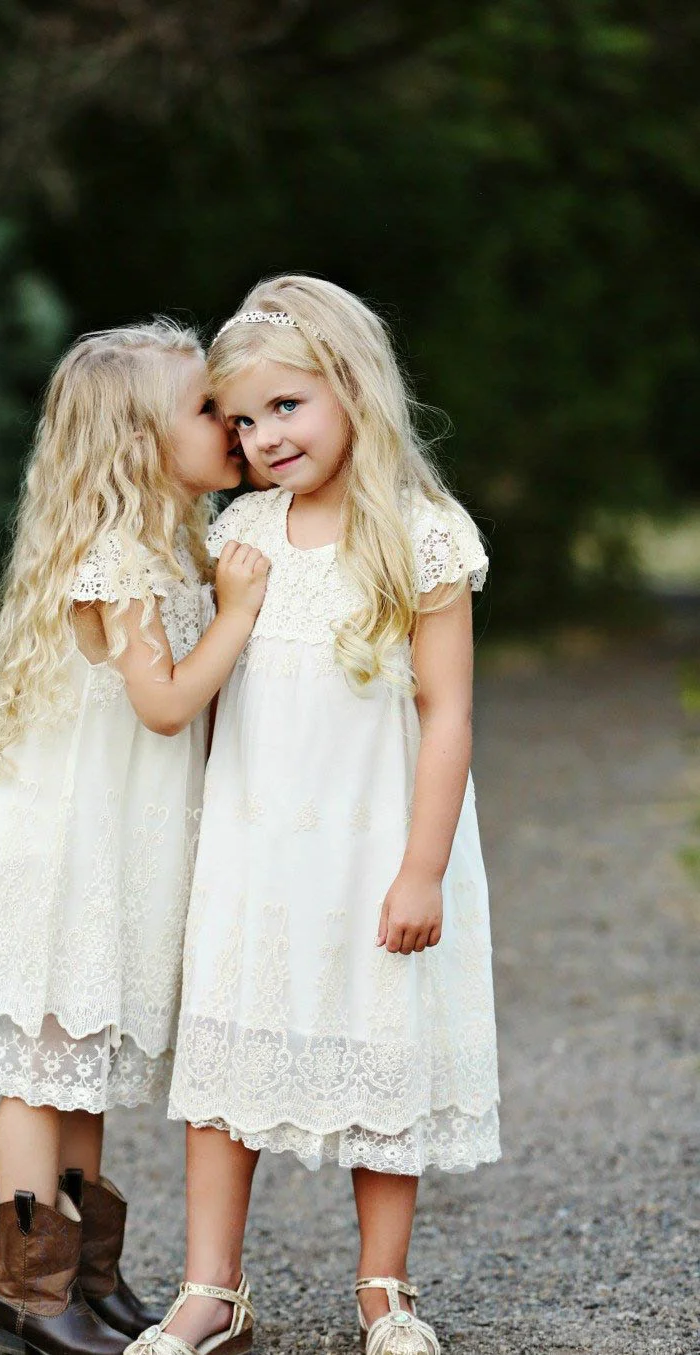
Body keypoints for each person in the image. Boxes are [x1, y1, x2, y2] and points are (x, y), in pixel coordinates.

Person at [130, 278, 499, 1355]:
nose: (261, 436)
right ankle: (212, 1289)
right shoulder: (242, 529)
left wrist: (421, 867)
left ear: (350, 387)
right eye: (242, 419)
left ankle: (383, 1289)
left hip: (374, 841)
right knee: (226, 1066)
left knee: (379, 1055)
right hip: (254, 844)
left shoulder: (422, 536)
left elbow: (448, 714)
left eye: (285, 406)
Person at [0, 321, 269, 1355]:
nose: (229, 422)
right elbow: (163, 704)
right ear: (138, 439)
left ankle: (90, 1273)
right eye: (206, 408)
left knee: (82, 1070)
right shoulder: (113, 554)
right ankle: (25, 1291)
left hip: (115, 851)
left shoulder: (169, 543)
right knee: (42, 1067)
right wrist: (240, 612)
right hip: (62, 852)